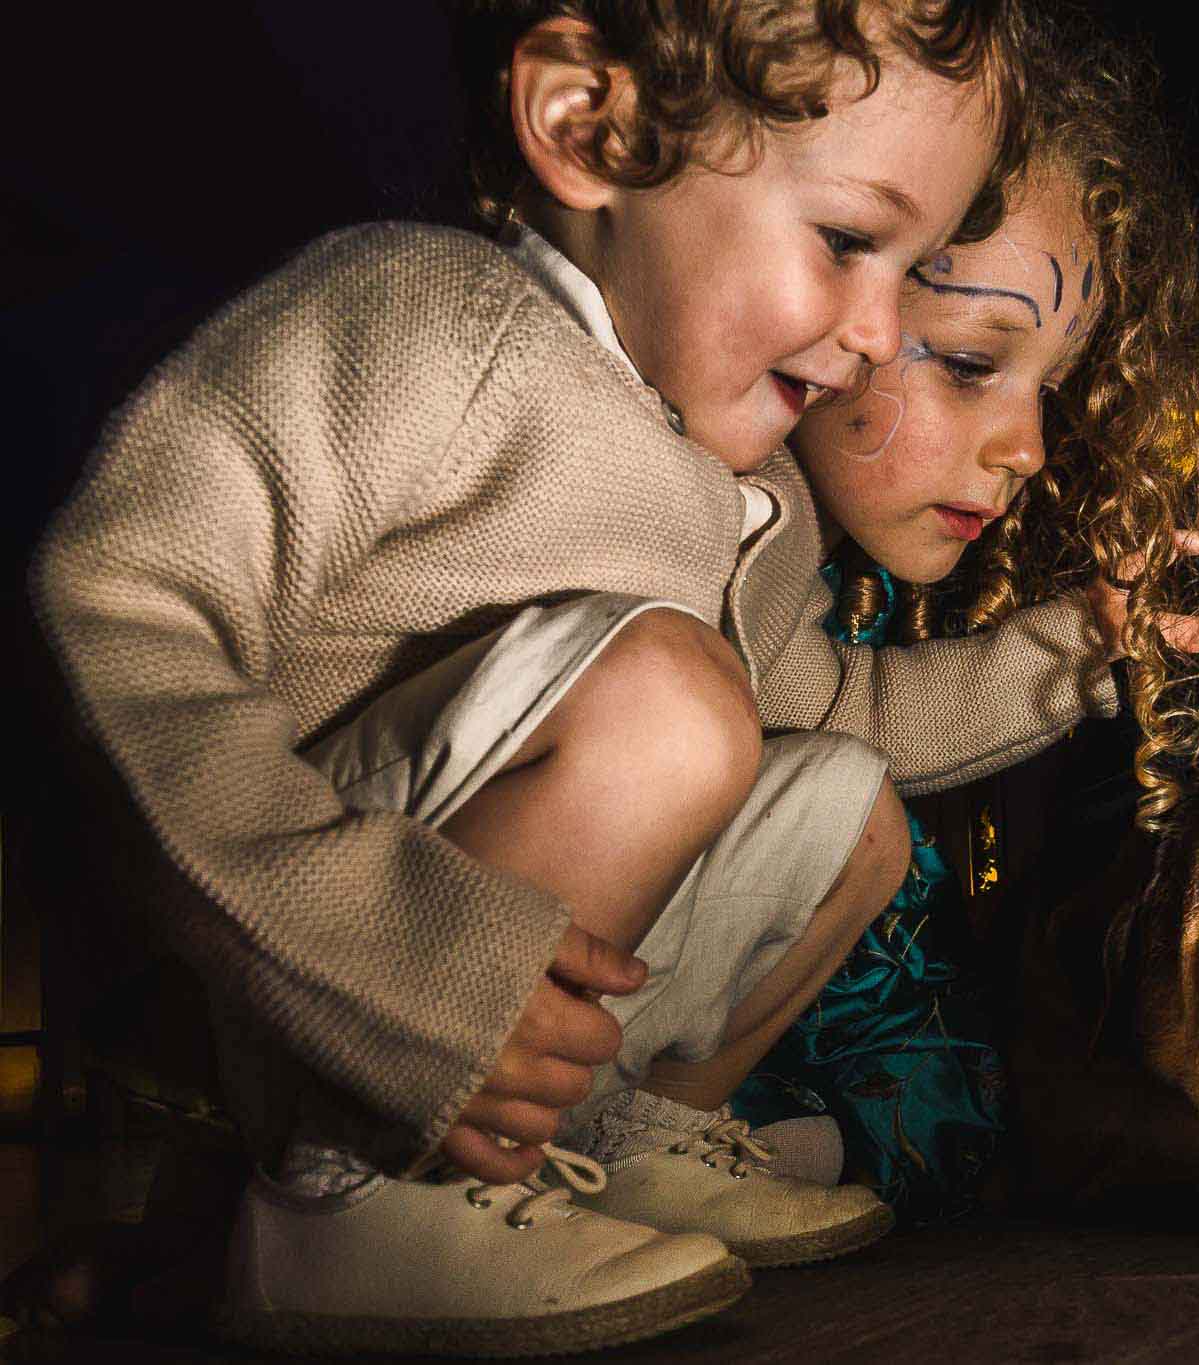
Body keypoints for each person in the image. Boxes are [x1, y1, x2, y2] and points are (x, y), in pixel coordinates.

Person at [28, 1, 1038, 1353]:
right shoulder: (422, 320)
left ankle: (610, 1145)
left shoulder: (752, 493)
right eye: (851, 240)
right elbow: (114, 601)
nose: (872, 333)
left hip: (496, 990)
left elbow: (843, 709)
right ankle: (342, 1201)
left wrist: (1089, 654)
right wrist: (373, 946)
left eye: (910, 268)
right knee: (676, 707)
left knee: (849, 803)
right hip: (287, 984)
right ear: (588, 127)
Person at [723, 27, 1199, 1217]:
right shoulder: (705, 504)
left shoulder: (918, 560)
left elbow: (1093, 585)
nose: (1026, 448)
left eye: (1054, 385)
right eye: (975, 362)